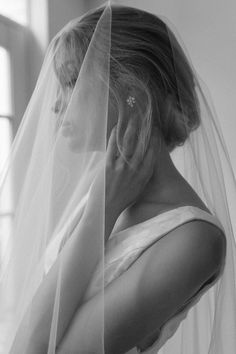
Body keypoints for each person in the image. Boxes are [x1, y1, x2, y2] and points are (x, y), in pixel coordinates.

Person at [1, 3, 236, 354]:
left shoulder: (195, 239)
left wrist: (101, 213)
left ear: (132, 94)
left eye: (70, 82)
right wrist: (101, 207)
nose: (55, 105)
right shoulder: (103, 191)